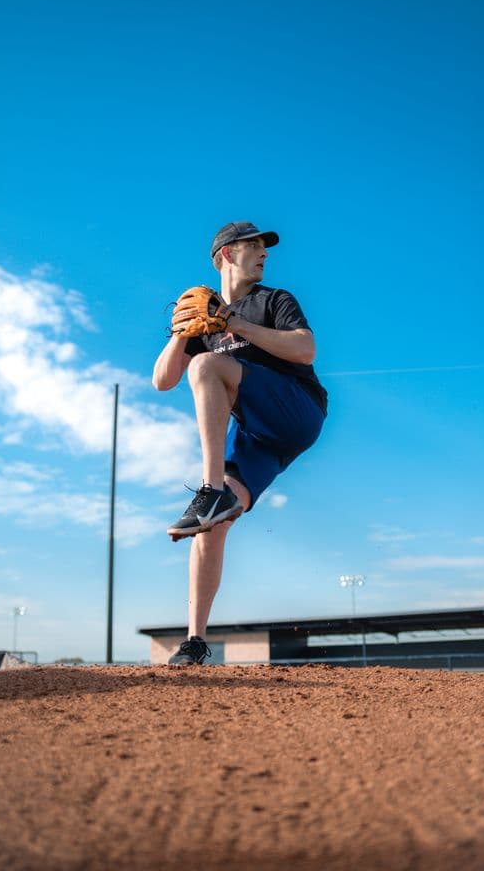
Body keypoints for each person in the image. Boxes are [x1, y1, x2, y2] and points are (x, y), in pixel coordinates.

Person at [152, 221, 328, 665]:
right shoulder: (205, 318)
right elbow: (162, 380)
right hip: (255, 437)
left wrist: (235, 323)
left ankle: (210, 492)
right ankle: (194, 641)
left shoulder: (273, 300)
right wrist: (181, 334)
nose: (264, 252)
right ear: (227, 254)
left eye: (263, 246)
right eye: (253, 245)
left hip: (296, 409)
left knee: (208, 367)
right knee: (211, 527)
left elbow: (305, 350)